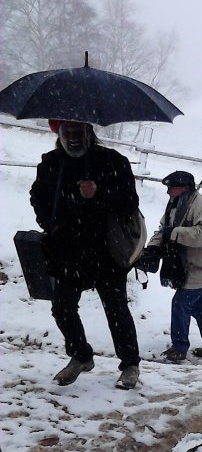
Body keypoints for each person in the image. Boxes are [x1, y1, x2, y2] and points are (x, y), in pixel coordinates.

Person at [30, 120, 141, 389]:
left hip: (106, 251)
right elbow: (37, 197)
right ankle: (80, 356)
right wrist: (50, 221)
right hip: (67, 251)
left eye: (78, 132)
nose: (73, 138)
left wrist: (99, 193)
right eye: (66, 133)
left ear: (89, 133)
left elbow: (130, 202)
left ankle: (130, 365)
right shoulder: (51, 163)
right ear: (59, 135)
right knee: (62, 308)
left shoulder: (113, 161)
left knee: (116, 309)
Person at [143, 171, 202, 362]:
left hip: (199, 264)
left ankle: (179, 348)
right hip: (183, 263)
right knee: (199, 307)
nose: (168, 192)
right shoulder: (175, 203)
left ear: (185, 187)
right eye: (167, 188)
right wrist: (153, 247)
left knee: (180, 304)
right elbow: (164, 230)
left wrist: (176, 233)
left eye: (172, 187)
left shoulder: (200, 206)